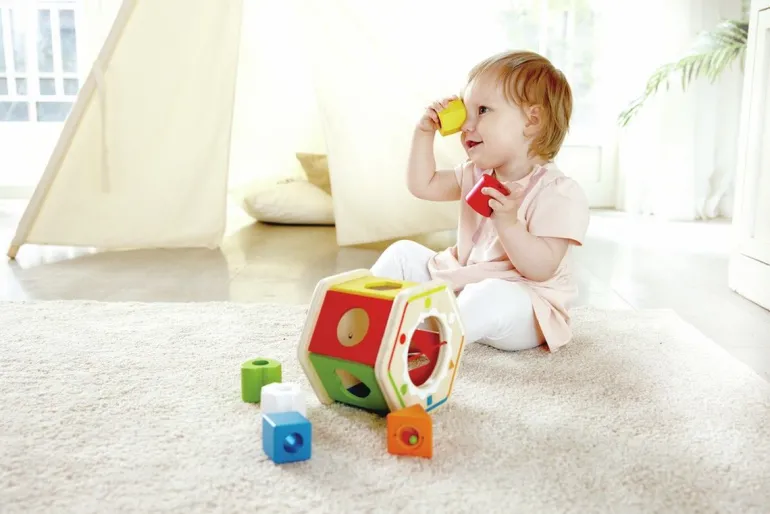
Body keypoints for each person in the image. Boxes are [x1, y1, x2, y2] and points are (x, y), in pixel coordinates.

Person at [371, 50, 590, 353]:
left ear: (532, 120)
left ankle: (426, 347)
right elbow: (423, 185)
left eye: (483, 110)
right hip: (462, 286)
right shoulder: (475, 173)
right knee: (402, 254)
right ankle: (364, 320)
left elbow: (541, 269)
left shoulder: (559, 192)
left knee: (491, 295)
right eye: (466, 112)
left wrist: (509, 224)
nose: (465, 126)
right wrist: (424, 133)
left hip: (525, 304)